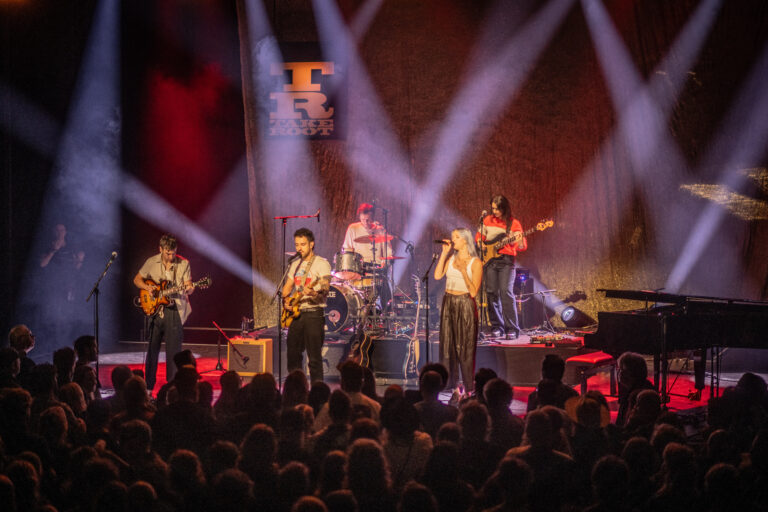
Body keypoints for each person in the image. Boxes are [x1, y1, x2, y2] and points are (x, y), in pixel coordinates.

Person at [133, 234, 194, 393]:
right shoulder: (151, 262)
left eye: (173, 253)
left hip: (174, 311)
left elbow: (188, 284)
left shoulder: (184, 263)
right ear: (160, 249)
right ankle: (148, 388)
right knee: (152, 351)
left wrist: (190, 287)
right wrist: (148, 288)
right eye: (167, 253)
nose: (170, 256)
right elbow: (137, 280)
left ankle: (172, 388)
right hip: (155, 312)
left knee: (174, 352)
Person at [434, 228, 482, 396]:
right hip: (449, 302)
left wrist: (463, 270)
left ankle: (469, 387)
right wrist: (444, 254)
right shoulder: (451, 258)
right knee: (448, 345)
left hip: (465, 303)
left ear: (465, 240)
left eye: (456, 237)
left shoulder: (475, 262)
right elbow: (438, 275)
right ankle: (449, 384)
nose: (452, 240)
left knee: (465, 347)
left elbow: (474, 292)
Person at [282, 227, 332, 383]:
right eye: (297, 244)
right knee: (293, 354)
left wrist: (312, 292)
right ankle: (296, 388)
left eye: (302, 244)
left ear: (312, 244)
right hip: (297, 315)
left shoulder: (322, 263)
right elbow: (287, 288)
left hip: (314, 313)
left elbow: (324, 287)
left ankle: (318, 392)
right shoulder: (295, 264)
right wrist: (286, 301)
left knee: (314, 358)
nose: (299, 248)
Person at [476, 194, 527, 339]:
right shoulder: (486, 220)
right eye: (492, 208)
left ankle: (512, 328)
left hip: (506, 261)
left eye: (497, 209)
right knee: (491, 293)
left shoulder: (514, 224)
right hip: (490, 261)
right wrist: (483, 245)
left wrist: (517, 240)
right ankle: (497, 326)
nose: (494, 212)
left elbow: (522, 246)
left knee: (506, 292)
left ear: (504, 208)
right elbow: (479, 238)